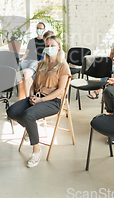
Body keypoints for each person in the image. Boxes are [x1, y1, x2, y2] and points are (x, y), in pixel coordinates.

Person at [7, 35, 71, 168]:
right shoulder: (41, 64)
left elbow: (60, 91)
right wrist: (31, 96)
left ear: (59, 47)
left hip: (52, 101)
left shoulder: (63, 66)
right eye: (47, 46)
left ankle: (36, 150)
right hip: (36, 97)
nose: (49, 48)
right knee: (11, 111)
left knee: (28, 115)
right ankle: (30, 130)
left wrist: (41, 99)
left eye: (52, 45)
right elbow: (33, 84)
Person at [87, 25, 114, 99]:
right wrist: (110, 62)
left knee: (107, 70)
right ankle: (103, 94)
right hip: (112, 65)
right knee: (107, 69)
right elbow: (110, 57)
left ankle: (97, 91)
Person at [18, 22, 47, 100]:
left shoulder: (45, 42)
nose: (39, 30)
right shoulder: (31, 41)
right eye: (37, 28)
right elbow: (26, 52)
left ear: (44, 30)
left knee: (27, 73)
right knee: (15, 67)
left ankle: (28, 97)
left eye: (40, 28)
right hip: (27, 60)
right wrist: (22, 59)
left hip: (36, 61)